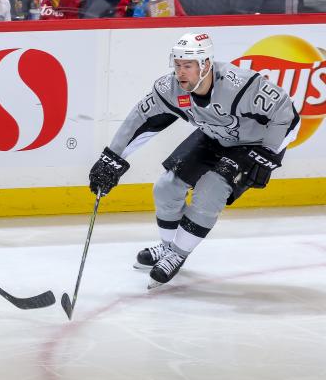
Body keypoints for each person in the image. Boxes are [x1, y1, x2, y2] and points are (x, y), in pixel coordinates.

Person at [88, 33, 300, 288]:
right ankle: (168, 247)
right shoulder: (170, 89)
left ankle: (178, 254)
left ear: (206, 65)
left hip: (253, 145)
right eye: (177, 65)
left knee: (210, 190)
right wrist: (112, 158)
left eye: (187, 66)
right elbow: (139, 119)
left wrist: (268, 154)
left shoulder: (240, 85)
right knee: (166, 187)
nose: (180, 72)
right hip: (214, 136)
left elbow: (286, 113)